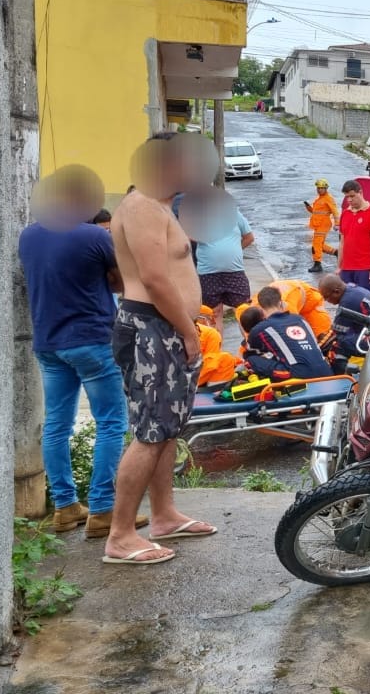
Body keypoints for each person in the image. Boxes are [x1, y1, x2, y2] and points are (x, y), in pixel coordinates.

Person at [106, 131, 219, 566]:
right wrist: (187, 333)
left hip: (166, 326)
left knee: (167, 428)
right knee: (150, 433)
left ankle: (164, 515)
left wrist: (191, 318)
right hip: (153, 327)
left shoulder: (157, 207)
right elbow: (154, 280)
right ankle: (120, 536)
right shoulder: (139, 208)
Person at [19, 165, 148, 539]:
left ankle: (64, 507)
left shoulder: (28, 236)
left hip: (48, 343)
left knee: (57, 425)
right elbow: (125, 281)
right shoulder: (93, 236)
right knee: (111, 422)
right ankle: (104, 509)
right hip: (92, 340)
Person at [243, 285, 331, 380]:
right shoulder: (300, 319)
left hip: (299, 375)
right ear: (281, 303)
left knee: (250, 359)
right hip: (326, 371)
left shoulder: (260, 329)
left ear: (261, 308)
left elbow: (249, 350)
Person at [197, 207, 254, 325]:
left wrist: (235, 250)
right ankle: (217, 343)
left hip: (234, 271)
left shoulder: (235, 214)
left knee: (244, 312)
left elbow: (249, 237)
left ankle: (250, 342)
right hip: (208, 273)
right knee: (214, 313)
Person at [317, 274, 370, 357]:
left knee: (338, 343)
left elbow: (336, 333)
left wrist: (317, 349)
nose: (326, 300)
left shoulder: (348, 301)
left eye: (326, 297)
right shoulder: (351, 288)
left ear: (337, 292)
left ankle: (340, 369)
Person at [233, 278, 332, 337]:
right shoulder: (247, 311)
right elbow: (240, 314)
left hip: (310, 305)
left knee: (323, 340)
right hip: (285, 296)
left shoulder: (288, 312)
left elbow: (294, 337)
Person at [337, 179, 370, 287]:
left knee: (368, 302)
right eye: (347, 196)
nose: (349, 200)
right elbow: (342, 243)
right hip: (347, 269)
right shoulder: (345, 214)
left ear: (360, 192)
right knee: (348, 302)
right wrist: (339, 266)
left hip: (365, 269)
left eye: (352, 196)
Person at [196, 305, 242, 386]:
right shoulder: (210, 333)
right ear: (201, 318)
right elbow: (212, 362)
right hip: (194, 378)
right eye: (211, 319)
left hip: (174, 375)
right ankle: (218, 389)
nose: (214, 323)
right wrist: (234, 362)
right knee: (226, 358)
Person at [305, 178, 339, 273]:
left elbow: (335, 211)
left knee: (316, 245)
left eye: (322, 188)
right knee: (319, 244)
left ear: (326, 188)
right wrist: (309, 208)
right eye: (318, 188)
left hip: (323, 225)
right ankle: (336, 252)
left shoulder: (328, 199)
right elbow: (316, 212)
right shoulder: (319, 199)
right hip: (318, 224)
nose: (319, 189)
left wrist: (337, 224)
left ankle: (317, 264)